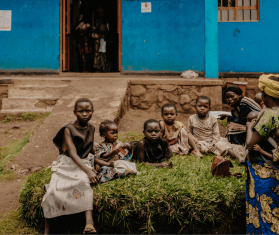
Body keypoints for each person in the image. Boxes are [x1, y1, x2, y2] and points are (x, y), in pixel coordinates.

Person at [42, 98, 98, 234]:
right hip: (68, 163)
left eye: (88, 111)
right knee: (52, 191)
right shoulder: (69, 129)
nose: (84, 114)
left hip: (83, 161)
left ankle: (89, 223)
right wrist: (89, 172)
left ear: (93, 112)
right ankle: (47, 229)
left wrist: (99, 154)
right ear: (74, 112)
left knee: (83, 182)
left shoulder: (91, 127)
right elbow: (72, 154)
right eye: (81, 111)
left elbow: (88, 146)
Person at [246, 74, 279, 234]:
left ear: (266, 95)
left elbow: (250, 145)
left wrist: (249, 129)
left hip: (266, 173)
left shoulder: (269, 115)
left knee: (266, 217)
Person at [188, 96, 245, 163]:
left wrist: (213, 143)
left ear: (209, 108)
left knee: (222, 145)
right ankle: (208, 150)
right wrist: (194, 143)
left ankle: (240, 158)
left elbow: (216, 134)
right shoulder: (191, 118)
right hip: (199, 142)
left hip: (212, 141)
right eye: (200, 106)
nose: (202, 108)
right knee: (200, 147)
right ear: (195, 106)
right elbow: (189, 133)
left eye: (205, 107)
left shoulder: (213, 119)